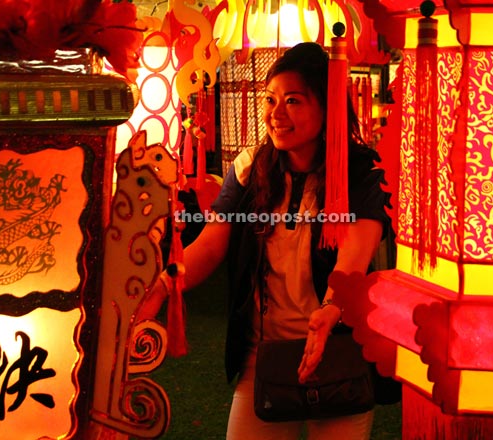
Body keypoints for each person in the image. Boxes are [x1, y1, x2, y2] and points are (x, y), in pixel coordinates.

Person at [137, 41, 393, 440]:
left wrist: (329, 312)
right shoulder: (251, 167)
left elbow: (352, 261)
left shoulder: (362, 173)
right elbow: (210, 243)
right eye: (270, 100)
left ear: (327, 107)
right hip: (264, 353)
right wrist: (163, 285)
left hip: (336, 350)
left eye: (293, 101)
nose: (276, 114)